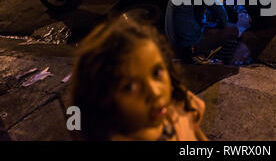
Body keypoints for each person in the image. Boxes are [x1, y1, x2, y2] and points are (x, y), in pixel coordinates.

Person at [71, 15, 208, 141]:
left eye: (156, 73)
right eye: (130, 87)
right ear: (102, 100)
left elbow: (195, 131)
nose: (155, 93)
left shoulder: (179, 103)